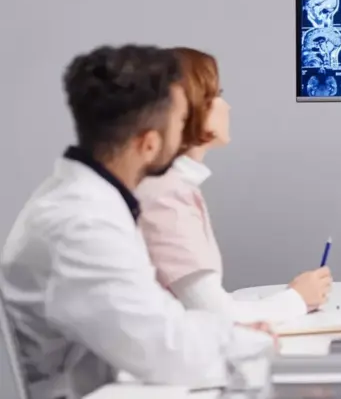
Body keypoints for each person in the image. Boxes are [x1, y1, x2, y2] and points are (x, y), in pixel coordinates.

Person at [0, 45, 274, 399]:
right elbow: (164, 351)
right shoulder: (81, 224)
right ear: (148, 145)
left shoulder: (82, 199)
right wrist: (252, 343)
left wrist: (236, 339)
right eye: (179, 122)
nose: (185, 131)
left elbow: (155, 319)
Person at [136, 47, 332, 324]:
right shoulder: (164, 197)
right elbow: (217, 316)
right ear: (188, 108)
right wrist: (298, 298)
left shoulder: (173, 188)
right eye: (217, 95)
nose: (227, 106)